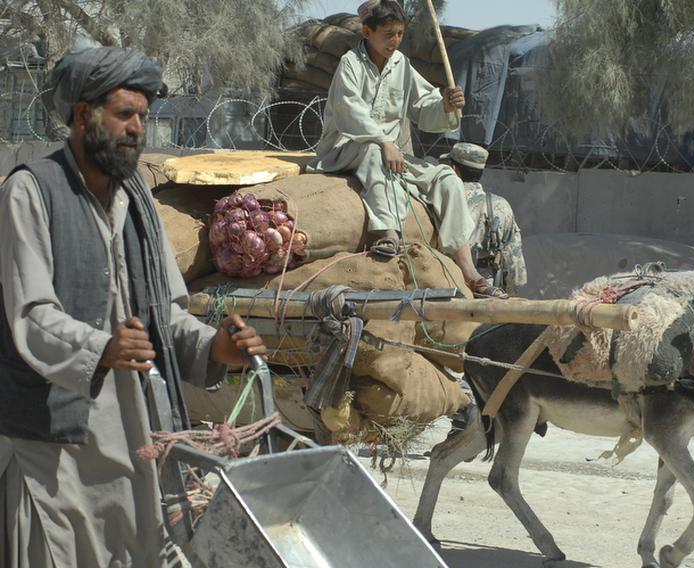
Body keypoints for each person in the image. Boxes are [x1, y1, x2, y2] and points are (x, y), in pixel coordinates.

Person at [0, 47, 267, 567]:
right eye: (125, 114)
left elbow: (163, 315)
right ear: (83, 116)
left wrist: (216, 347)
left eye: (143, 116)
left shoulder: (138, 199)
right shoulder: (30, 192)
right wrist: (102, 348)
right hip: (53, 439)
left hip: (135, 429)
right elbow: (30, 315)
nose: (137, 128)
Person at [307, 0, 507, 299]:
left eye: (399, 33)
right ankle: (387, 233)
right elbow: (349, 110)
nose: (395, 41)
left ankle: (469, 270)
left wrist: (444, 105)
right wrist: (383, 141)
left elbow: (423, 105)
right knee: (375, 153)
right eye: (388, 33)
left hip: (390, 151)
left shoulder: (401, 65)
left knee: (445, 179)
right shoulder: (350, 63)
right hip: (347, 147)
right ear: (367, 32)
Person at [441, 142, 528, 294]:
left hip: (445, 282)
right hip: (486, 287)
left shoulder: (440, 201)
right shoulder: (500, 205)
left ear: (454, 170)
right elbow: (514, 264)